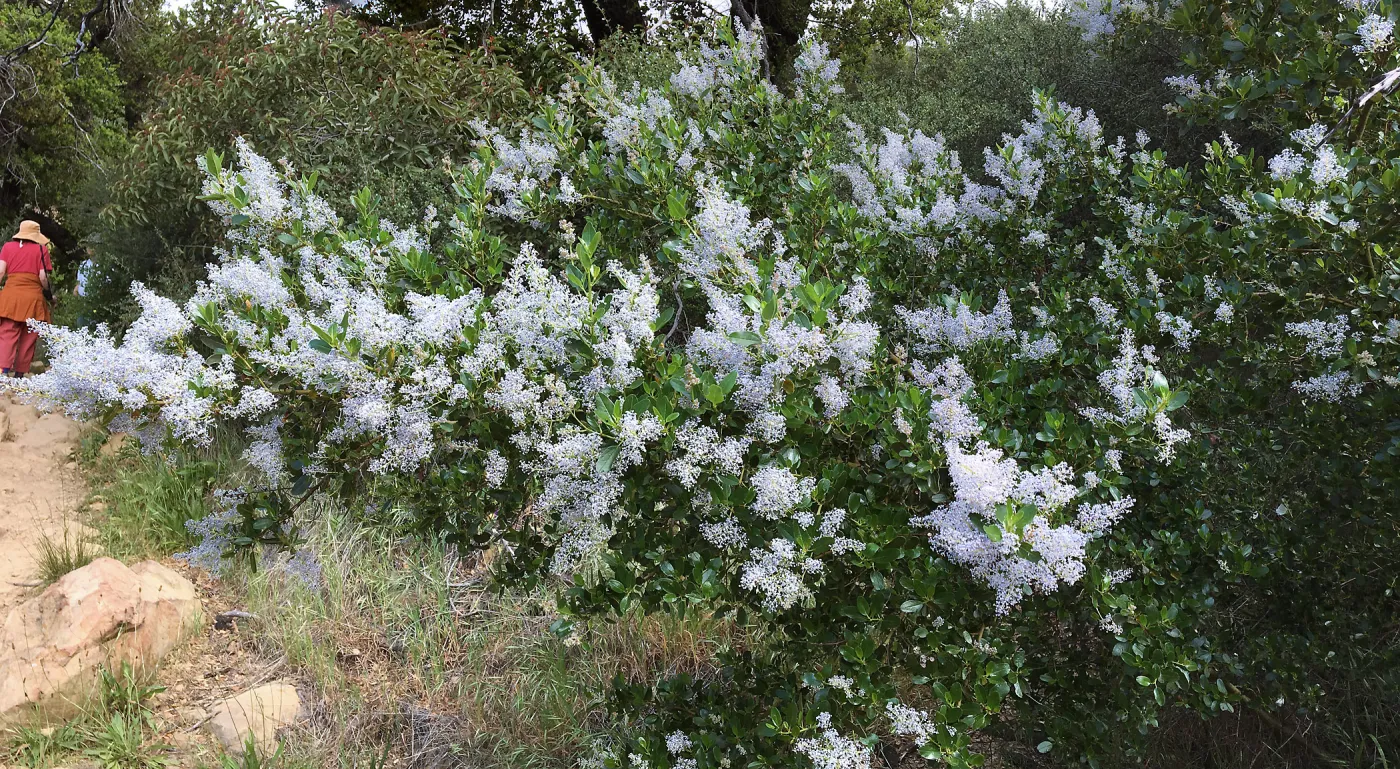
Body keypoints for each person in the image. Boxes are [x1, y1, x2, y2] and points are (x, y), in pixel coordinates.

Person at [0, 221, 54, 377]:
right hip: (33, 298)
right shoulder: (41, 249)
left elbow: (1, 272)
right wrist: (49, 295)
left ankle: (2, 371)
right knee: (29, 336)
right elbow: (43, 277)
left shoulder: (7, 247)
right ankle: (20, 374)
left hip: (10, 297)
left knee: (7, 333)